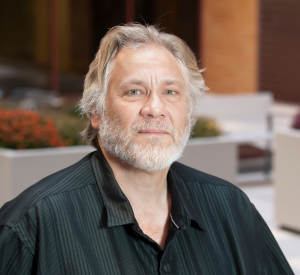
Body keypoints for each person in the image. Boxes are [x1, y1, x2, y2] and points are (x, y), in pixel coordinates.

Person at [0, 24, 294, 275]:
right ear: (96, 111)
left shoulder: (232, 207)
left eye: (170, 92)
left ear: (188, 111)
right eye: (134, 91)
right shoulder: (31, 224)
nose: (155, 109)